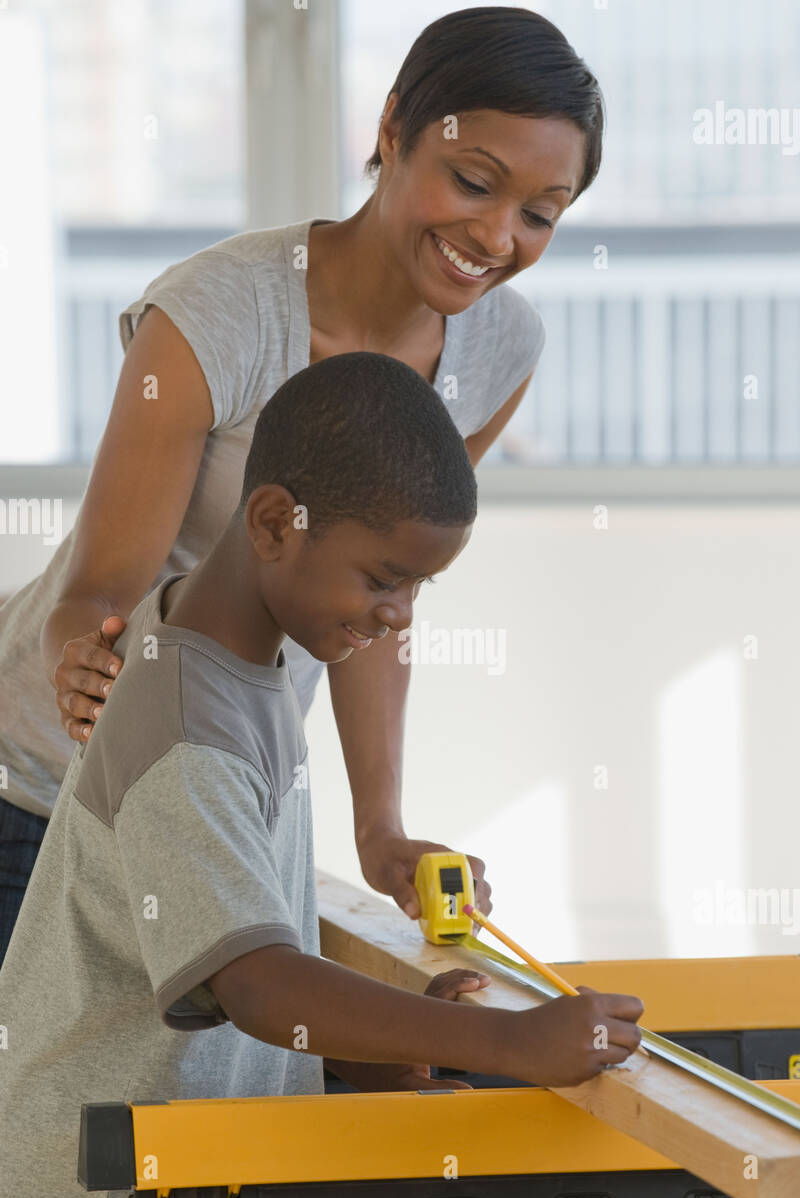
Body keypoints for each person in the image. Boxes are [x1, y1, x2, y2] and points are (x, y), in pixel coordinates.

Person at [0, 352, 644, 1198]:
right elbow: (257, 981)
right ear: (274, 523)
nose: (398, 615)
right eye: (384, 577)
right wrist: (512, 1044)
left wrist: (364, 1048)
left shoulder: (237, 665)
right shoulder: (187, 721)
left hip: (181, 1188)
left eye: (419, 589)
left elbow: (213, 947)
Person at [0, 6, 605, 962]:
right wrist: (83, 668)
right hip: (33, 791)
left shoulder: (498, 348)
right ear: (394, 129)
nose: (496, 235)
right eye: (472, 181)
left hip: (224, 793)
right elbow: (97, 594)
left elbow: (380, 590)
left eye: (539, 214)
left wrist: (380, 830)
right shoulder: (218, 313)